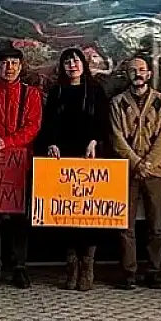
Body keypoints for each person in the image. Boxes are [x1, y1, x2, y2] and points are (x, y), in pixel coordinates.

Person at [38, 48, 111, 291]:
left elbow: (103, 122)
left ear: (83, 64)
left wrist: (94, 141)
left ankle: (87, 265)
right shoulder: (56, 92)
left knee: (90, 216)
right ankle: (71, 266)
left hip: (89, 159)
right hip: (63, 160)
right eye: (67, 61)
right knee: (66, 217)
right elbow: (47, 123)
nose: (72, 65)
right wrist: (51, 143)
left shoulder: (96, 91)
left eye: (76, 60)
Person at [0, 47, 43, 289]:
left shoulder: (32, 94)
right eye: (4, 63)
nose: (9, 67)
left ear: (21, 66)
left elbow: (33, 127)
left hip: (21, 164)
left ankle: (19, 266)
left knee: (19, 218)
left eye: (14, 63)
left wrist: (9, 142)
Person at [110, 55, 161, 290]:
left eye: (142, 70)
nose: (138, 74)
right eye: (133, 70)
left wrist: (149, 163)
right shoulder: (118, 102)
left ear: (149, 74)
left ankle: (154, 271)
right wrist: (136, 162)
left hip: (155, 171)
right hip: (126, 170)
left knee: (156, 225)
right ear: (127, 74)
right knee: (125, 225)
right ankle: (129, 271)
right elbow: (117, 137)